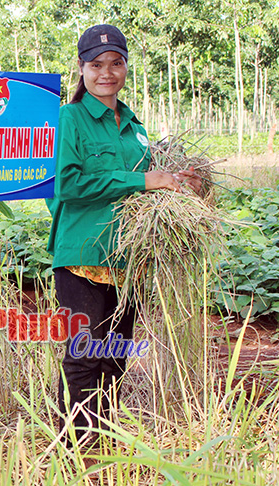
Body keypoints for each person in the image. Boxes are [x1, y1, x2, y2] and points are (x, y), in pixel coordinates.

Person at [46, 24, 200, 445]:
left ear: (126, 66)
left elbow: (152, 181)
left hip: (128, 259)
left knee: (115, 360)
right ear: (81, 69)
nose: (106, 73)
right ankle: (76, 452)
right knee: (83, 357)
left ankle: (103, 442)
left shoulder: (135, 125)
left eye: (116, 63)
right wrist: (144, 181)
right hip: (81, 255)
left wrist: (180, 183)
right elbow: (69, 185)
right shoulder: (70, 118)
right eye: (96, 65)